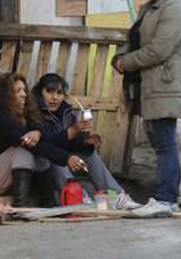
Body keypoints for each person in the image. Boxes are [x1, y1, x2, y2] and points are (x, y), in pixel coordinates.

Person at [112, 0, 181, 217]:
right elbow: (135, 38)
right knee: (161, 143)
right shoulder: (151, 8)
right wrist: (121, 57)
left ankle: (166, 198)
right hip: (151, 85)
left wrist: (126, 63)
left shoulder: (174, 9)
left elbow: (159, 49)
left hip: (164, 84)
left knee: (165, 143)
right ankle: (166, 197)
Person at [0, 73, 88, 207]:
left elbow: (46, 138)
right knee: (23, 152)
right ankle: (20, 206)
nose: (24, 94)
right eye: (18, 91)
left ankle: (48, 202)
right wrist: (67, 158)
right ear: (5, 94)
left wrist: (38, 131)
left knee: (38, 153)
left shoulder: (22, 114)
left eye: (24, 90)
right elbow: (32, 144)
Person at [30, 73, 142, 210]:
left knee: (89, 155)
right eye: (49, 92)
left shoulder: (65, 112)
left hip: (64, 157)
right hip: (44, 163)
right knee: (55, 156)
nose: (55, 98)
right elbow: (46, 144)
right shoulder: (33, 111)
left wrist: (84, 142)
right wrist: (74, 130)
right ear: (40, 92)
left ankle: (117, 197)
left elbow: (69, 143)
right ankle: (79, 197)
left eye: (59, 93)